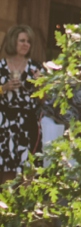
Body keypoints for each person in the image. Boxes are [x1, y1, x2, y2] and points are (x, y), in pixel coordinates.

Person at [0, 24, 42, 182]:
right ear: (13, 42)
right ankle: (5, 204)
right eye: (22, 41)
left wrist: (41, 85)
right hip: (5, 123)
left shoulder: (35, 68)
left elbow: (44, 99)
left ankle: (25, 205)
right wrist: (4, 88)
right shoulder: (1, 67)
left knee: (27, 168)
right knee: (7, 167)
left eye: (28, 41)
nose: (26, 44)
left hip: (27, 122)